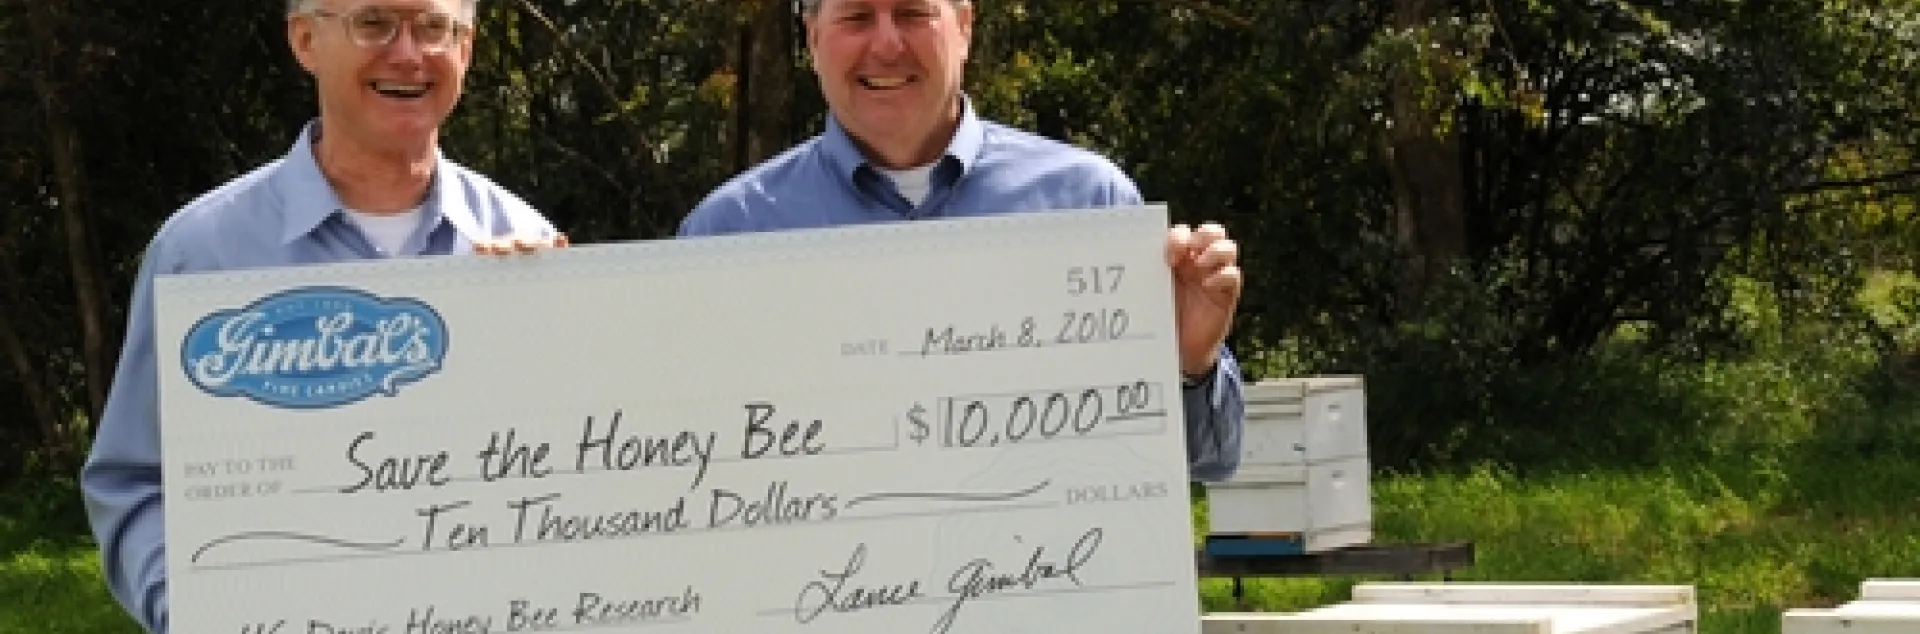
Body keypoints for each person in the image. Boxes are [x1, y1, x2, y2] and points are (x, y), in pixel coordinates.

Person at [80, 1, 562, 631]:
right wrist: (196, 613)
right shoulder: (200, 254)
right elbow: (133, 480)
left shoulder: (529, 244)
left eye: (433, 27)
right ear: (305, 41)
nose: (408, 53)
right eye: (374, 24)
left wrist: (553, 320)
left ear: (466, 50)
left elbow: (574, 476)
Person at [680, 0, 1246, 481]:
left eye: (912, 12)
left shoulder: (1087, 205)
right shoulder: (728, 235)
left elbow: (1209, 462)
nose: (886, 44)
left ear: (965, 26)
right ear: (813, 39)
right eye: (856, 16)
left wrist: (1188, 364)